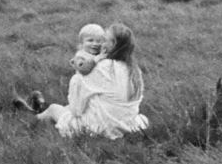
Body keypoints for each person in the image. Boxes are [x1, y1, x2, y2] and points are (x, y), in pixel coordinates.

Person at [21, 23, 149, 139]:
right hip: (127, 124)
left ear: (113, 45)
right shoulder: (134, 69)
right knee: (74, 106)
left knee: (54, 109)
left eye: (103, 40)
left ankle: (30, 117)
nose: (99, 44)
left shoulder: (102, 68)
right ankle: (41, 108)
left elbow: (76, 110)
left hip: (103, 128)